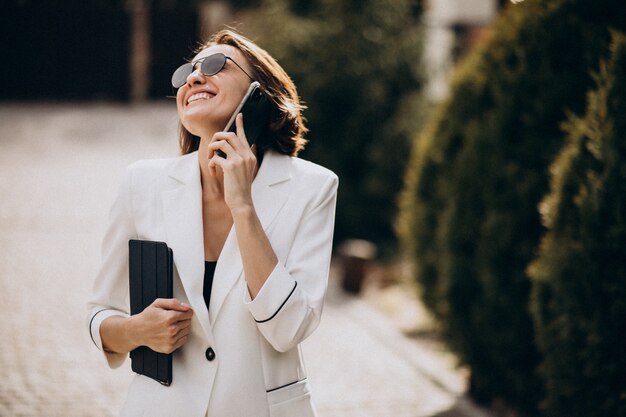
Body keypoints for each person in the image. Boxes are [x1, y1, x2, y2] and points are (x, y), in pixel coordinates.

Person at [87, 29, 338, 417]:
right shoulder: (142, 183)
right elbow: (100, 312)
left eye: (216, 65)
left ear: (259, 96)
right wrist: (138, 331)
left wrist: (244, 207)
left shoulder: (313, 188)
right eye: (188, 71)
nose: (193, 77)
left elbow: (289, 329)